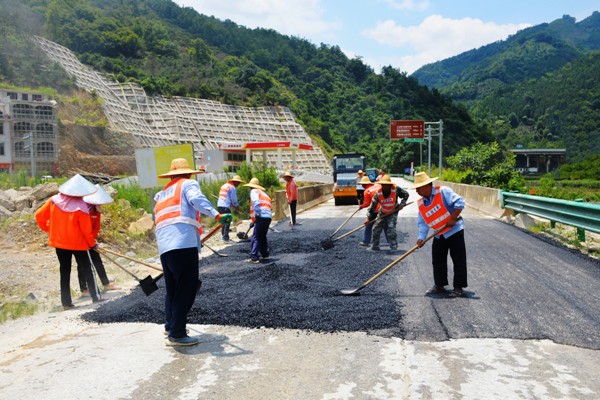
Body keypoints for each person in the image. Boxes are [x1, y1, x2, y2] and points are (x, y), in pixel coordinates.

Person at [154, 158, 232, 346]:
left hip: (165, 246)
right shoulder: (187, 184)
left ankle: (170, 326)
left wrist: (194, 239)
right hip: (182, 243)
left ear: (171, 176)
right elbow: (197, 200)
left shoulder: (162, 194)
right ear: (188, 173)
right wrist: (217, 215)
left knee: (173, 289)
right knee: (187, 287)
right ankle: (177, 334)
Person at [35, 174, 104, 310]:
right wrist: (92, 244)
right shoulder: (81, 207)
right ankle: (96, 297)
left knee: (64, 271)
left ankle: (66, 303)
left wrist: (50, 230)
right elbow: (86, 231)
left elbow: (39, 216)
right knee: (88, 269)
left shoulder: (53, 201)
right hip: (79, 244)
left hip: (60, 243)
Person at [412, 172, 467, 298]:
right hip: (439, 233)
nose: (416, 191)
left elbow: (460, 202)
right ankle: (439, 284)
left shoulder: (443, 192)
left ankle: (458, 287)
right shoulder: (421, 203)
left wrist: (453, 218)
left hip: (454, 231)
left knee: (458, 259)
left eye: (418, 188)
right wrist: (421, 237)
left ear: (427, 186)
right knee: (437, 260)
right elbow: (423, 223)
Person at [77, 184, 119, 295]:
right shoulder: (83, 209)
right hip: (79, 240)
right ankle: (84, 289)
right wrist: (88, 241)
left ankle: (106, 284)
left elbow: (96, 227)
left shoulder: (96, 211)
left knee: (97, 260)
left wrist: (92, 240)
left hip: (90, 240)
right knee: (82, 264)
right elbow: (81, 228)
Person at [367, 174, 409, 251]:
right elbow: (372, 207)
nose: (385, 186)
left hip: (393, 211)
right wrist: (368, 218)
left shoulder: (396, 189)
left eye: (386, 185)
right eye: (383, 185)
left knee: (391, 229)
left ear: (390, 185)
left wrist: (402, 204)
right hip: (382, 212)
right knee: (376, 228)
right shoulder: (378, 193)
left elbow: (406, 194)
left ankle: (393, 246)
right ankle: (375, 246)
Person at [243, 178, 272, 263]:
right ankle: (265, 254)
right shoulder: (264, 194)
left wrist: (257, 214)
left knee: (256, 236)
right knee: (262, 236)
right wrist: (254, 221)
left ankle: (254, 257)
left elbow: (256, 202)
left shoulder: (254, 191)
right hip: (268, 217)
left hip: (261, 216)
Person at [217, 175, 245, 242]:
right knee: (227, 221)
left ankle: (223, 236)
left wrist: (231, 203)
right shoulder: (232, 187)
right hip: (225, 206)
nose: (238, 184)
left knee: (223, 221)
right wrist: (237, 206)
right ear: (235, 182)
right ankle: (225, 238)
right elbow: (233, 199)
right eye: (238, 183)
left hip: (220, 205)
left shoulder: (224, 185)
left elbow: (225, 197)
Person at [358, 175, 381, 247]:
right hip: (385, 208)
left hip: (375, 209)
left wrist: (361, 206)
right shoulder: (378, 185)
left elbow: (367, 203)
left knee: (368, 225)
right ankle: (391, 243)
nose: (361, 185)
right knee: (386, 226)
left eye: (362, 184)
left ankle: (366, 241)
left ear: (365, 184)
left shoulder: (367, 191)